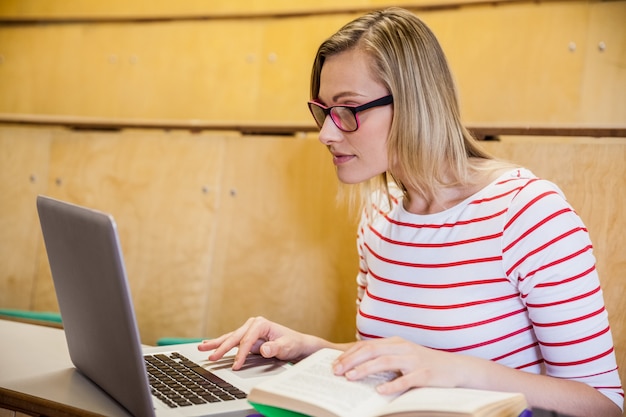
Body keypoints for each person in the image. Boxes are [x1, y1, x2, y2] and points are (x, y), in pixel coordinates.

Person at [198, 7, 623, 416]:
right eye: (324, 111)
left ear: (414, 103)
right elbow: (399, 362)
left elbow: (603, 404)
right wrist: (306, 345)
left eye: (347, 110)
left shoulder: (528, 213)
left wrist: (458, 370)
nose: (326, 133)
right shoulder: (379, 211)